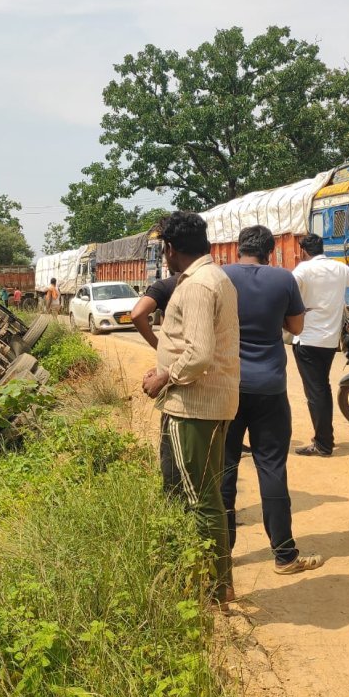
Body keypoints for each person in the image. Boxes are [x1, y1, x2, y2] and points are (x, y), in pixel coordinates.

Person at [141, 212, 240, 609]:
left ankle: (216, 588)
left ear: (170, 248)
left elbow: (198, 354)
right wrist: (166, 367)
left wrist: (165, 377)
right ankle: (199, 576)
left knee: (200, 497)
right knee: (193, 490)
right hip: (202, 402)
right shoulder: (212, 278)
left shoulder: (199, 286)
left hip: (194, 406)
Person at [221, 226, 323, 574]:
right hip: (269, 388)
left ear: (239, 248)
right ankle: (284, 555)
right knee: (271, 469)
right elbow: (295, 329)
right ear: (271, 251)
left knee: (225, 469)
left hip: (227, 389)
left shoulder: (220, 277)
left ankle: (221, 556)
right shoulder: (283, 280)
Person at [291, 234, 349, 457]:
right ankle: (325, 438)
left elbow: (287, 295)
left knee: (315, 392)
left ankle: (323, 443)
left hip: (307, 338)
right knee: (322, 388)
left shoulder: (302, 270)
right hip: (329, 340)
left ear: (304, 251)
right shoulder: (339, 268)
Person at [131, 274, 178, 349]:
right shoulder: (201, 281)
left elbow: (137, 315)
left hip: (174, 350)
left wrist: (157, 346)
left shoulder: (165, 285)